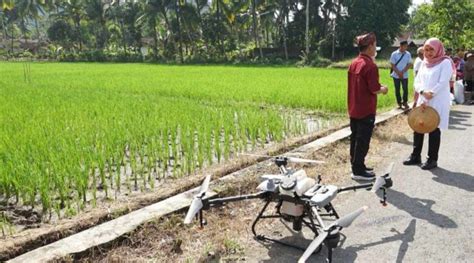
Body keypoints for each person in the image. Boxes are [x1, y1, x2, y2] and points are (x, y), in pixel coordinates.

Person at [403, 38, 454, 170]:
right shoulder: (424, 63)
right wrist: (422, 91)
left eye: (432, 49)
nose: (429, 52)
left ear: (438, 49)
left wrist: (431, 93)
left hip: (437, 100)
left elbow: (443, 82)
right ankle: (415, 156)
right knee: (418, 126)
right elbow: (417, 81)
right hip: (423, 98)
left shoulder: (445, 63)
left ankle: (432, 159)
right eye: (426, 49)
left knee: (434, 128)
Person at [348, 32, 388, 180]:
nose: (375, 48)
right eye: (375, 45)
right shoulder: (370, 65)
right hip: (365, 109)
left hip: (354, 107)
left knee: (355, 138)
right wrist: (383, 89)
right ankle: (358, 171)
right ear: (370, 46)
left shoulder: (354, 63)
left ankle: (357, 165)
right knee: (363, 140)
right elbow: (374, 89)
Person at [390, 40, 412, 110]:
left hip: (404, 75)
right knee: (397, 89)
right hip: (396, 75)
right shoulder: (394, 54)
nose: (406, 48)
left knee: (405, 89)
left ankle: (405, 102)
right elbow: (392, 65)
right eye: (405, 46)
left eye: (406, 46)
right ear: (401, 46)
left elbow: (410, 64)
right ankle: (399, 103)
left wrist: (402, 72)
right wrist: (398, 73)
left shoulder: (408, 54)